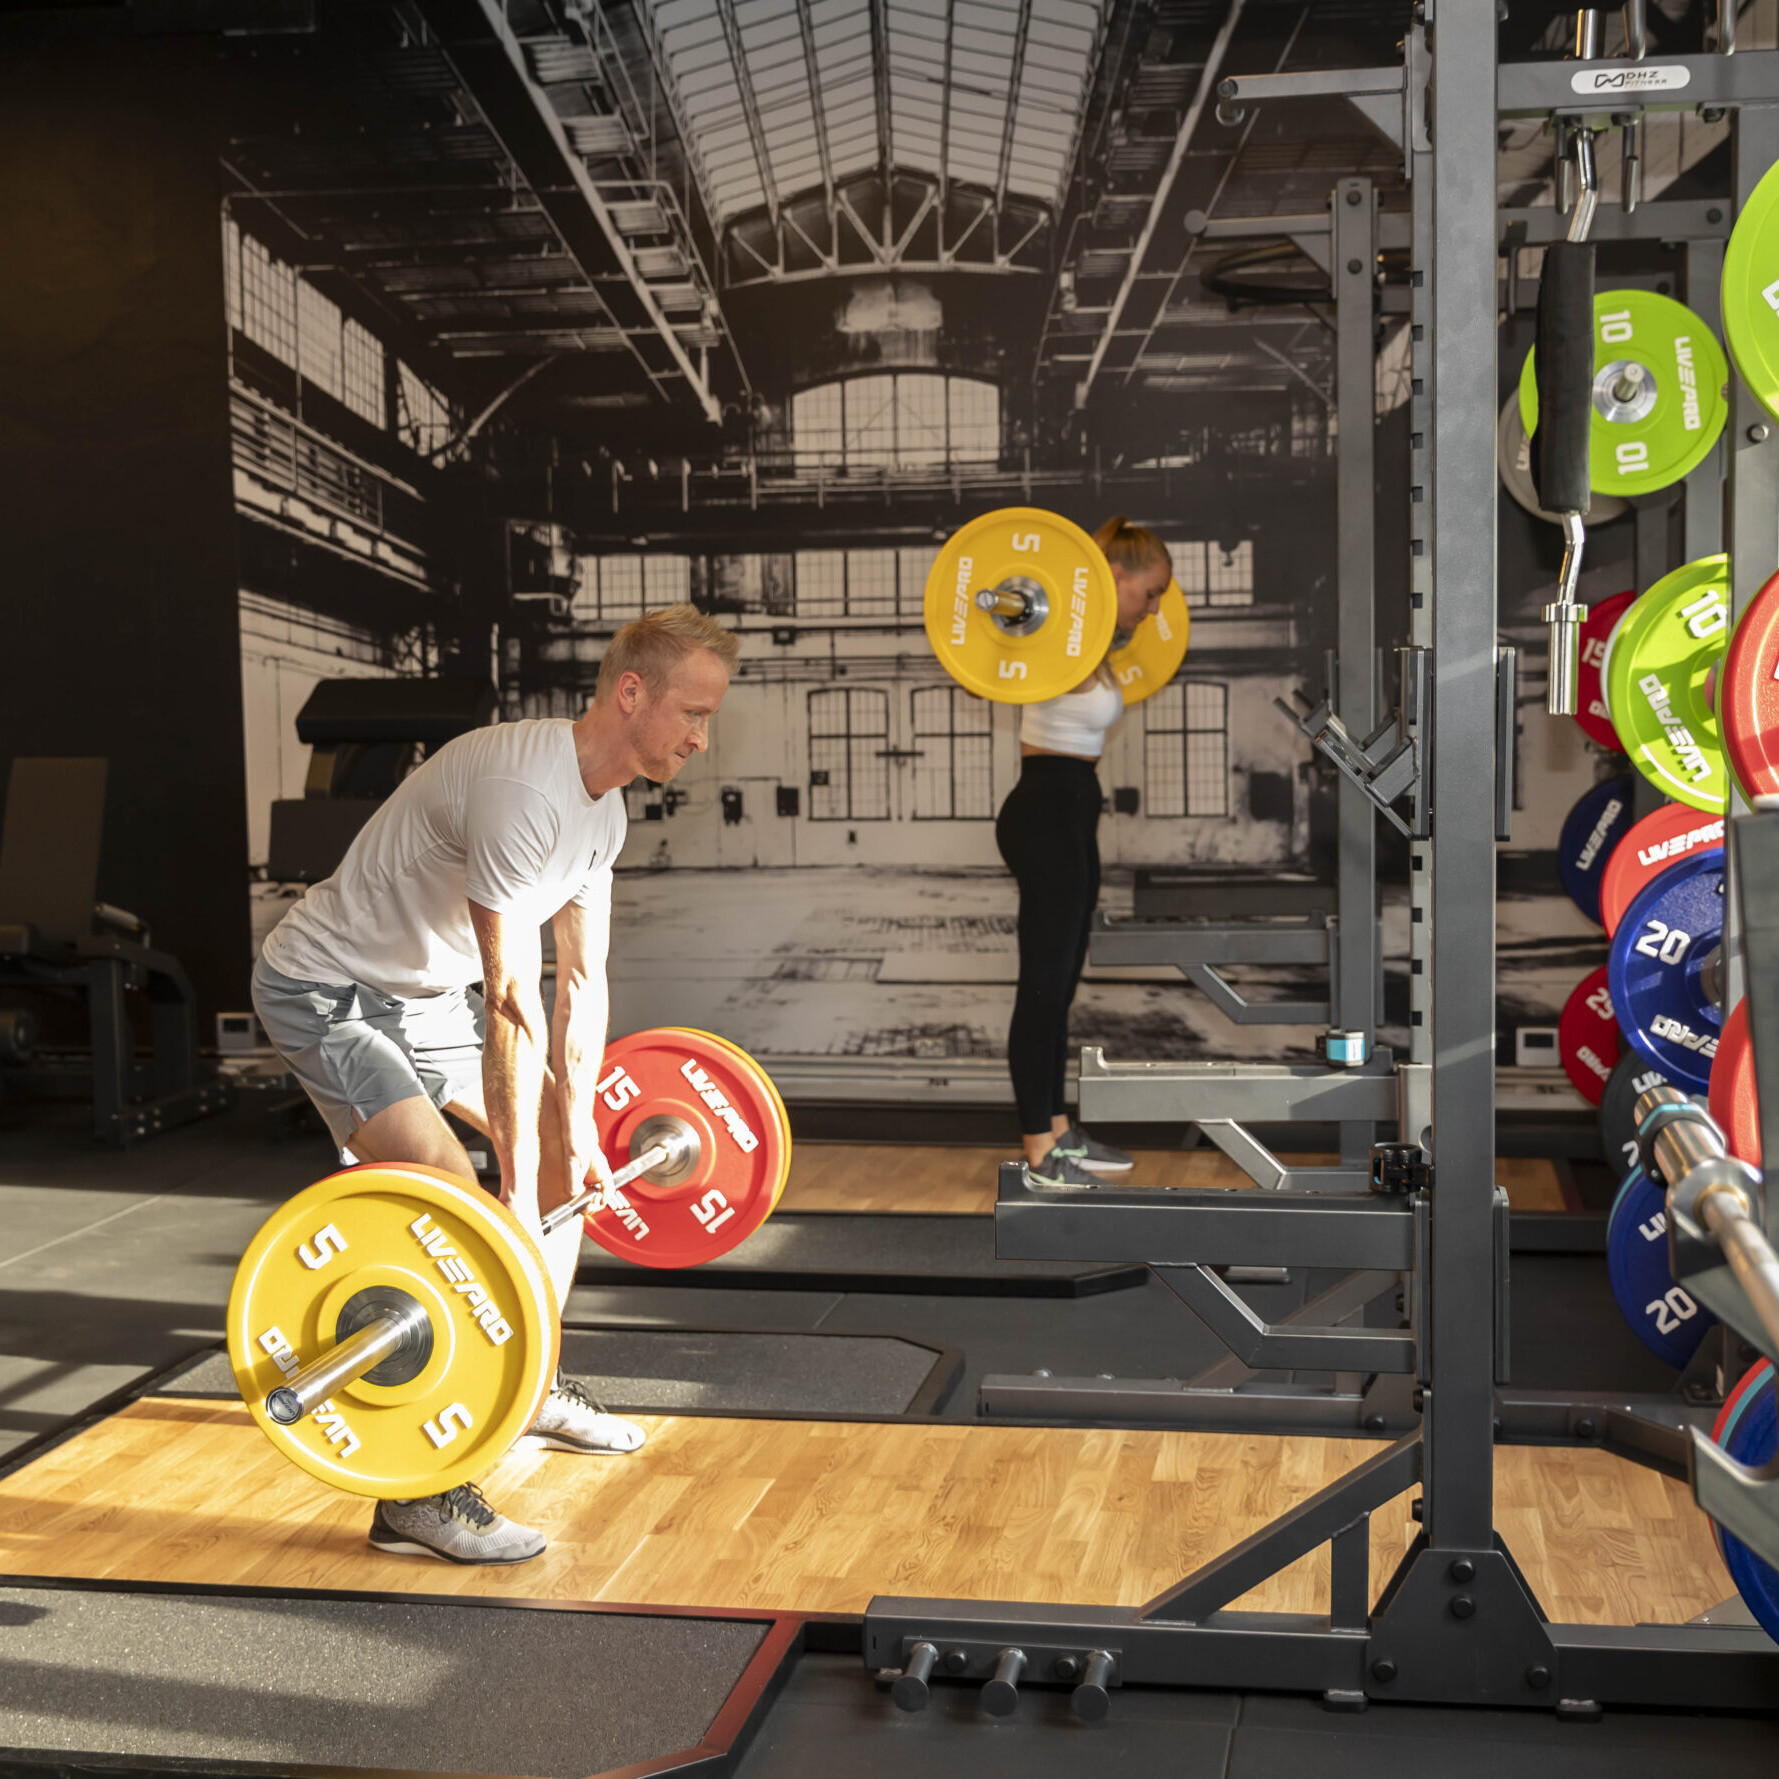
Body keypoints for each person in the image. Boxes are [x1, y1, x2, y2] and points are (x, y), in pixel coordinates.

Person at [252, 603, 740, 1563]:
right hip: (329, 988)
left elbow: (583, 983)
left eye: (710, 719)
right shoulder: (526, 789)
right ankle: (417, 1499)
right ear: (629, 693)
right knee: (452, 1187)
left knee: (568, 1158)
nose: (700, 737)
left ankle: (526, 1383)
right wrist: (510, 1185)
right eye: (691, 711)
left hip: (426, 996)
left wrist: (575, 1137)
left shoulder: (605, 808)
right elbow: (513, 998)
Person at [995, 518, 1173, 1188]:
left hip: (1072, 806)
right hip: (1044, 809)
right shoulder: (1049, 633)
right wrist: (1005, 606)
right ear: (1116, 577)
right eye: (1148, 591)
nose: (1153, 607)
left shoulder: (1091, 644)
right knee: (1041, 986)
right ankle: (1039, 1148)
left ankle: (1060, 1130)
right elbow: (998, 639)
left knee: (1061, 983)